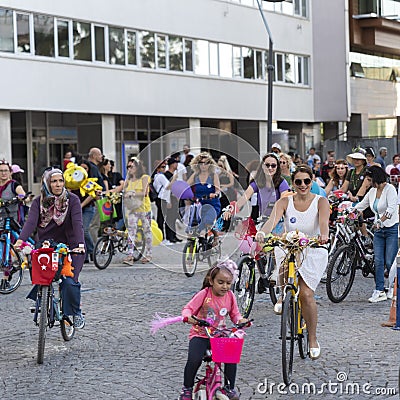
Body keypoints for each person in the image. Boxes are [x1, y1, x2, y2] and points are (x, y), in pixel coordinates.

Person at [256, 165, 330, 360]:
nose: (303, 185)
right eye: (298, 182)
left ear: (312, 181)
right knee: (280, 255)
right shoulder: (285, 201)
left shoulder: (321, 202)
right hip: (290, 245)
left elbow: (324, 224)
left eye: (307, 181)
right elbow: (272, 221)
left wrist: (324, 235)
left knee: (306, 294)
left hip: (313, 249)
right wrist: (263, 233)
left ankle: (312, 339)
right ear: (293, 184)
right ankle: (283, 295)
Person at [15, 167, 86, 328]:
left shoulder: (72, 200)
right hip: (47, 245)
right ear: (47, 183)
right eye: (54, 181)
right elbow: (31, 223)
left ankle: (75, 312)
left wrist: (80, 245)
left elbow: (77, 224)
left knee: (69, 281)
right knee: (42, 276)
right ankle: (44, 297)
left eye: (61, 181)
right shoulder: (38, 202)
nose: (58, 184)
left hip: (72, 245)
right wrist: (20, 241)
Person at [179, 259, 247, 400]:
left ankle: (229, 387)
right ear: (211, 281)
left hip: (220, 335)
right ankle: (187, 388)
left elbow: (235, 314)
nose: (225, 286)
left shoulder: (230, 296)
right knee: (194, 359)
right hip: (201, 335)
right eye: (220, 282)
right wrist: (187, 317)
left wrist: (241, 321)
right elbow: (188, 308)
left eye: (228, 283)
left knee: (231, 358)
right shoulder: (204, 294)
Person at [354, 166, 399, 303]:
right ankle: (379, 290)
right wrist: (349, 211)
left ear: (376, 178)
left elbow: (392, 208)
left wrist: (380, 220)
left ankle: (391, 287)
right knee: (378, 261)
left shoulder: (390, 189)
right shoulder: (372, 191)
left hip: (391, 228)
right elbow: (362, 205)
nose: (367, 182)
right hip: (378, 230)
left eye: (369, 179)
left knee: (389, 261)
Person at [224, 153, 290, 221]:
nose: (270, 168)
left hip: (279, 221)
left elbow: (283, 201)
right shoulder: (257, 182)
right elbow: (244, 197)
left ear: (277, 167)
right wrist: (230, 210)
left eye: (273, 166)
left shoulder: (282, 182)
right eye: (267, 165)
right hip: (262, 220)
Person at [186, 152, 221, 246]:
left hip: (212, 203)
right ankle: (190, 252)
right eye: (201, 163)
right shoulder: (195, 175)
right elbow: (187, 185)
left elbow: (218, 190)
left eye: (206, 163)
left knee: (208, 220)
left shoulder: (213, 175)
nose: (203, 165)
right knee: (193, 223)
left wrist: (215, 194)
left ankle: (216, 236)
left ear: (210, 164)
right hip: (199, 203)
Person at [122, 157, 153, 264]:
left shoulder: (144, 177)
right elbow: (120, 188)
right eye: (128, 167)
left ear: (137, 167)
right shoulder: (129, 180)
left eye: (131, 166)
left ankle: (148, 254)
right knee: (131, 231)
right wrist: (107, 192)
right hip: (132, 209)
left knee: (147, 231)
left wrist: (132, 193)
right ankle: (130, 255)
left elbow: (145, 192)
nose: (129, 169)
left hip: (144, 209)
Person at [0, 160, 26, 225]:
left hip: (12, 219)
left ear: (10, 172)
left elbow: (23, 195)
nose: (3, 173)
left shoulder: (14, 185)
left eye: (6, 171)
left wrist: (18, 198)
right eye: (1, 171)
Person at [164, 157, 182, 243]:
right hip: (169, 198)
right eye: (176, 163)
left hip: (175, 198)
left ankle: (174, 235)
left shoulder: (174, 174)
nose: (177, 165)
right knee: (170, 218)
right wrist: (169, 201)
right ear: (172, 164)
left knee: (174, 217)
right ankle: (169, 236)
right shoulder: (167, 175)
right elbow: (168, 188)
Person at [217, 155, 236, 231]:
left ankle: (229, 225)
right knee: (222, 208)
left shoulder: (228, 172)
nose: (219, 167)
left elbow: (232, 183)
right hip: (222, 193)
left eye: (220, 165)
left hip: (229, 192)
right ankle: (223, 224)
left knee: (228, 208)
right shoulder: (218, 173)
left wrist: (224, 186)